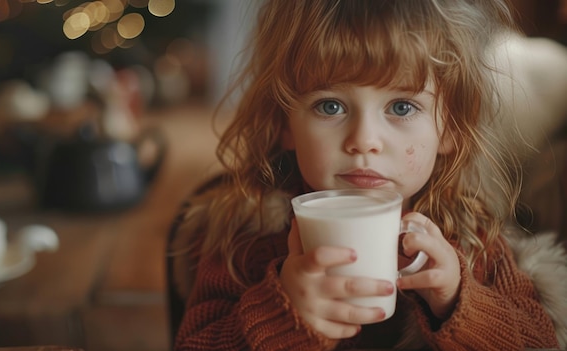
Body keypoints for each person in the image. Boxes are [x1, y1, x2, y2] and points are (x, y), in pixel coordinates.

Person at [171, 0, 567, 349]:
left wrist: (457, 301)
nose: (364, 141)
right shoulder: (245, 241)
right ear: (284, 123)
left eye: (400, 108)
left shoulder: (471, 239)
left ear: (449, 129)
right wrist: (282, 316)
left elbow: (539, 341)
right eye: (330, 107)